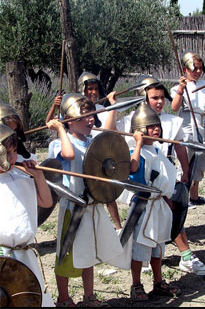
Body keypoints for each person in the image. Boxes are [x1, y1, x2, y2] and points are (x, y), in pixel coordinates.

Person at [116, 75, 205, 277]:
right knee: (145, 225)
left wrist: (185, 172)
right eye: (154, 98)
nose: (159, 102)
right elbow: (110, 134)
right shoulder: (131, 120)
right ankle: (181, 257)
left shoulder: (172, 121)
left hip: (166, 174)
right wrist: (112, 105)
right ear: (143, 99)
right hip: (142, 178)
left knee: (171, 218)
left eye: (162, 97)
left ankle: (176, 259)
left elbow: (179, 148)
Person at [48, 94, 124, 307]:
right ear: (70, 120)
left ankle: (89, 296)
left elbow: (108, 136)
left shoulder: (92, 141)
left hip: (92, 206)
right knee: (65, 255)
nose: (91, 120)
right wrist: (61, 129)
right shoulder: (58, 144)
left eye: (92, 115)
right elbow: (69, 155)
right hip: (73, 207)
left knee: (88, 253)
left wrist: (113, 107)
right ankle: (63, 299)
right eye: (85, 116)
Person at [125, 103, 180, 301]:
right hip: (143, 205)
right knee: (140, 249)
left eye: (157, 125)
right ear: (139, 130)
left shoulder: (157, 149)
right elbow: (133, 173)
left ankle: (158, 282)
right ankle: (136, 285)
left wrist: (166, 198)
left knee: (158, 246)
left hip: (158, 205)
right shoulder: (136, 151)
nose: (156, 129)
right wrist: (138, 144)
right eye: (150, 126)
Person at [0, 124, 55, 307]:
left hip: (25, 257)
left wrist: (38, 176)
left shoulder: (22, 177)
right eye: (7, 153)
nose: (13, 157)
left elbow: (47, 202)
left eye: (15, 151)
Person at [171, 51, 205, 206]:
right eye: (194, 69)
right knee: (184, 163)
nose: (198, 72)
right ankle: (181, 196)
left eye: (200, 68)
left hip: (204, 124)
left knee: (200, 161)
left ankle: (194, 196)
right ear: (185, 69)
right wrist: (181, 88)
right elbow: (175, 107)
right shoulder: (179, 87)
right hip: (187, 125)